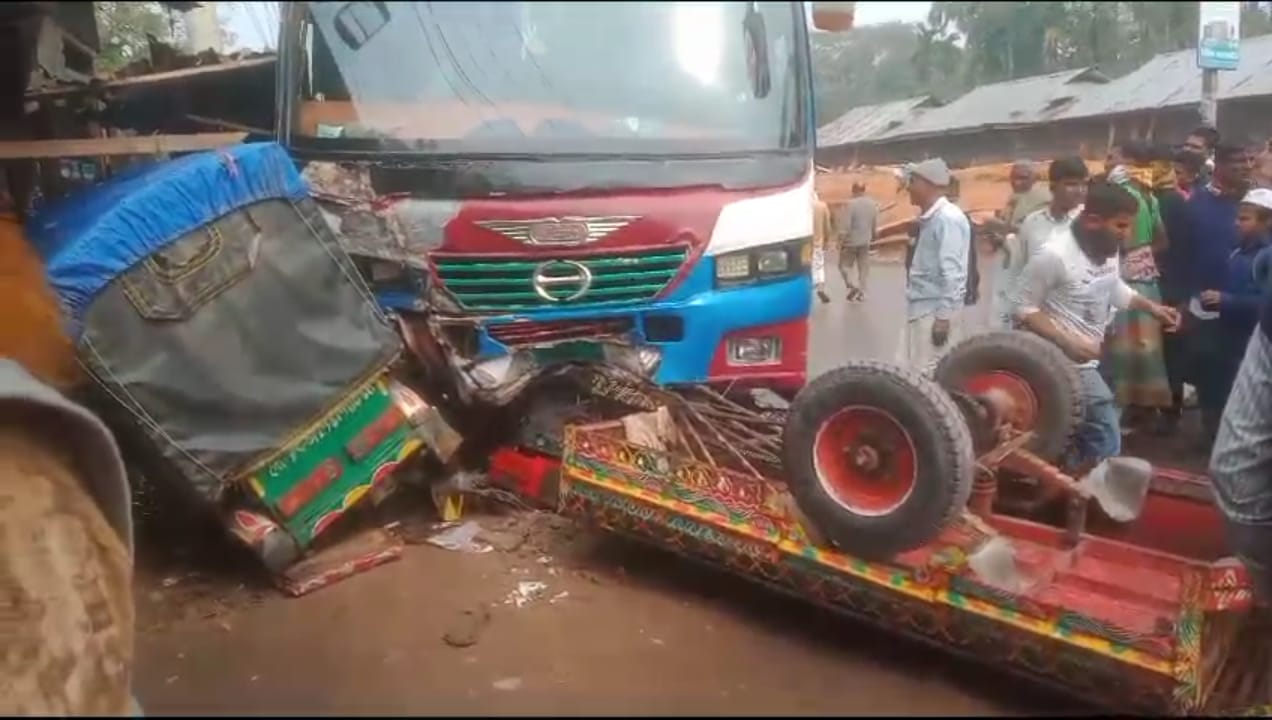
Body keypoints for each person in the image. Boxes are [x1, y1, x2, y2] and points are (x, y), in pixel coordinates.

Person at [1012, 181, 1181, 471]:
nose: (1127, 234)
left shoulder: (1107, 246)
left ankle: (1070, 483)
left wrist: (1152, 309)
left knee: (1076, 437)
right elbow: (1023, 307)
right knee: (1106, 433)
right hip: (1063, 362)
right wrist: (1067, 342)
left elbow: (1112, 286)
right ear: (1092, 221)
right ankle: (1097, 490)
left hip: (1099, 352)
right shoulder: (1053, 255)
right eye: (1121, 225)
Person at [1181, 144, 1255, 445]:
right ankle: (1214, 435)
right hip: (1205, 304)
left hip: (1250, 303)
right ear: (1219, 165)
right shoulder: (1196, 205)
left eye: (1248, 160)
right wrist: (1186, 297)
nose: (1245, 166)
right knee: (1211, 371)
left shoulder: (1257, 203)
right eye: (1237, 161)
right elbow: (1182, 254)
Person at [1103, 142, 1175, 425]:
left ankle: (1123, 411)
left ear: (1128, 161)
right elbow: (1162, 241)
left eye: (1113, 156)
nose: (1107, 161)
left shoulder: (1118, 196)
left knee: (1120, 348)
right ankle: (1146, 408)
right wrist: (1142, 255)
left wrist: (1125, 258)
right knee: (1146, 347)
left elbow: (1115, 240)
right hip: (1147, 279)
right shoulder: (1149, 195)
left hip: (1122, 279)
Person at [1197, 188, 1272, 427]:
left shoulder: (1266, 257)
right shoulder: (1239, 250)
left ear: (1267, 222)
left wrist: (1227, 301)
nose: (1237, 223)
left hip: (1251, 343)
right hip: (1226, 338)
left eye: (1245, 219)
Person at [995, 156, 1089, 329]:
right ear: (1053, 186)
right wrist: (1010, 311)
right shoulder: (1032, 223)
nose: (1080, 191)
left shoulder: (1091, 223)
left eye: (1084, 185)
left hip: (1078, 318)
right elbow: (1019, 269)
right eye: (1071, 184)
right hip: (1037, 319)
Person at [897, 158, 969, 374]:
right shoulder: (931, 218)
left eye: (913, 182)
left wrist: (943, 318)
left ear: (929, 184)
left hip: (933, 311)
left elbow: (954, 274)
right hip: (921, 308)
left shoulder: (947, 219)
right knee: (908, 371)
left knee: (927, 375)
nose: (909, 188)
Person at [1152, 147, 1199, 434]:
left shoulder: (1173, 203)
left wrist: (1181, 295)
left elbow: (1184, 251)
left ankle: (1171, 412)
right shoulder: (1151, 198)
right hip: (1153, 284)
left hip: (1169, 286)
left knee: (1170, 351)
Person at [835, 181, 877, 302]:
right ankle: (862, 292)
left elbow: (846, 226)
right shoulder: (872, 204)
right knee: (863, 268)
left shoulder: (850, 205)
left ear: (854, 190)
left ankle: (852, 285)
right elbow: (874, 223)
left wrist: (840, 241)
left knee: (843, 266)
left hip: (851, 242)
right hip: (865, 241)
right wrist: (874, 237)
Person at [811, 191, 832, 303]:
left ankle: (808, 290)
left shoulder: (803, 207)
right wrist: (827, 240)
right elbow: (827, 225)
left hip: (804, 243)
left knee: (805, 268)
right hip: (818, 242)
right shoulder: (822, 206)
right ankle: (820, 288)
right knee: (819, 266)